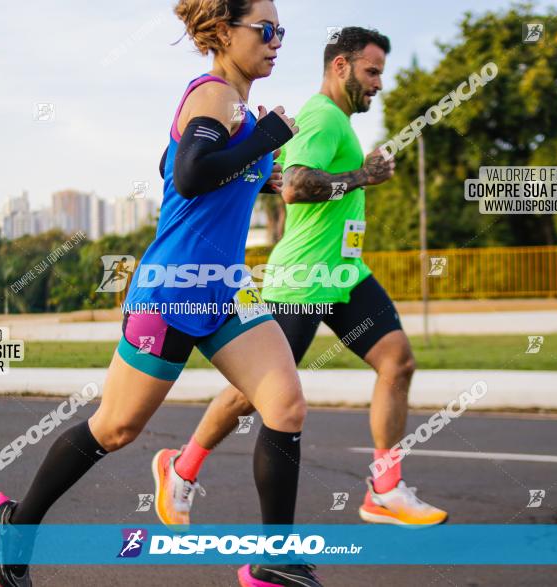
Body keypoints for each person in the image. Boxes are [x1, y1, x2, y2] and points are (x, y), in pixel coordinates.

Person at [0, 1, 324, 586]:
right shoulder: (212, 93)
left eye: (281, 31)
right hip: (171, 291)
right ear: (223, 31)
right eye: (266, 30)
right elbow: (191, 172)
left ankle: (275, 559)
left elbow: (173, 165)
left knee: (285, 402)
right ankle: (18, 522)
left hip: (223, 290)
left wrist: (256, 169)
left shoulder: (233, 107)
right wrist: (265, 137)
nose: (277, 41)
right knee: (115, 429)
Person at [154, 26, 448, 530]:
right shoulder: (321, 117)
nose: (379, 84)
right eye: (371, 71)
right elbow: (296, 188)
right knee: (255, 395)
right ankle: (180, 469)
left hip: (344, 274)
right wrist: (363, 177)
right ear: (341, 67)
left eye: (381, 73)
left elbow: (277, 180)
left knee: (397, 361)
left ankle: (384, 486)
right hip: (303, 279)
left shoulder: (337, 122)